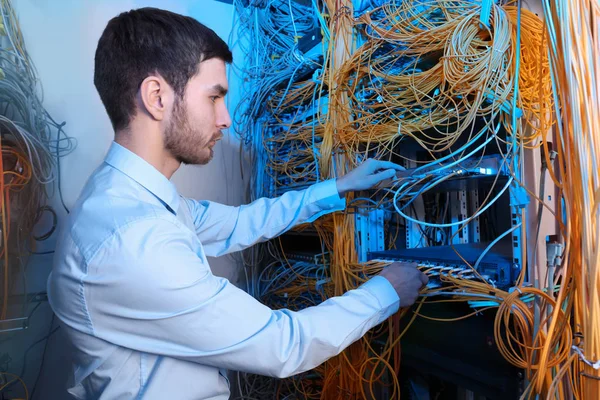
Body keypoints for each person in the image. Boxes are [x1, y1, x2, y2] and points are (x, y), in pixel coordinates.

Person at [48, 7, 428, 400]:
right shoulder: (134, 238)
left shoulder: (130, 200)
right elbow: (283, 345)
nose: (226, 119)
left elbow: (238, 224)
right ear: (156, 98)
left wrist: (337, 188)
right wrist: (385, 291)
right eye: (214, 98)